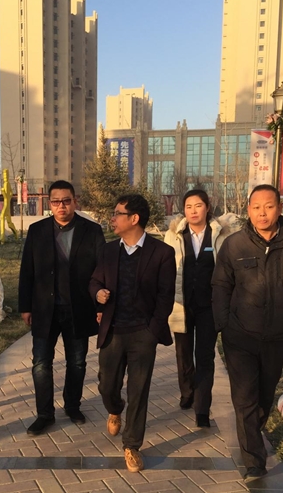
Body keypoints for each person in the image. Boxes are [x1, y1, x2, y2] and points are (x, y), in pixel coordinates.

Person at [212, 184, 283, 482]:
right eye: (256, 207)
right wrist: (223, 323)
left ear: (280, 208)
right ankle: (254, 461)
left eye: (269, 206)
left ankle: (254, 429)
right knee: (244, 397)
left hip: (277, 334)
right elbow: (220, 285)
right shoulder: (234, 245)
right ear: (248, 210)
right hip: (240, 334)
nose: (262, 213)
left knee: (264, 393)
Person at [90, 194, 176, 473]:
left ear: (134, 218)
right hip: (113, 330)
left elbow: (165, 296)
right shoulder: (108, 251)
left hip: (142, 333)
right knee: (107, 386)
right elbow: (94, 280)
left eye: (117, 213)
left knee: (139, 390)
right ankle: (115, 408)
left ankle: (132, 445)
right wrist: (97, 294)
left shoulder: (162, 253)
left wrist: (152, 331)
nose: (112, 218)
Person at [19, 180, 105, 436]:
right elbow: (27, 271)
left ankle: (72, 406)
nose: (61, 206)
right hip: (45, 309)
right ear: (50, 203)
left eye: (66, 201)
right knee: (40, 364)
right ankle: (45, 414)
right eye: (56, 201)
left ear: (75, 201)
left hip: (79, 308)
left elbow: (101, 271)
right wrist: (25, 306)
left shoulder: (92, 231)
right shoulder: (37, 231)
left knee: (77, 362)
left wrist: (100, 305)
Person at [164, 189, 228, 428]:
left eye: (198, 205)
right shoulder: (174, 235)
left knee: (205, 355)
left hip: (208, 306)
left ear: (207, 208)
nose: (193, 211)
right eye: (188, 206)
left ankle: (202, 408)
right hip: (181, 304)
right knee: (183, 353)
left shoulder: (220, 235)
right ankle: (187, 392)